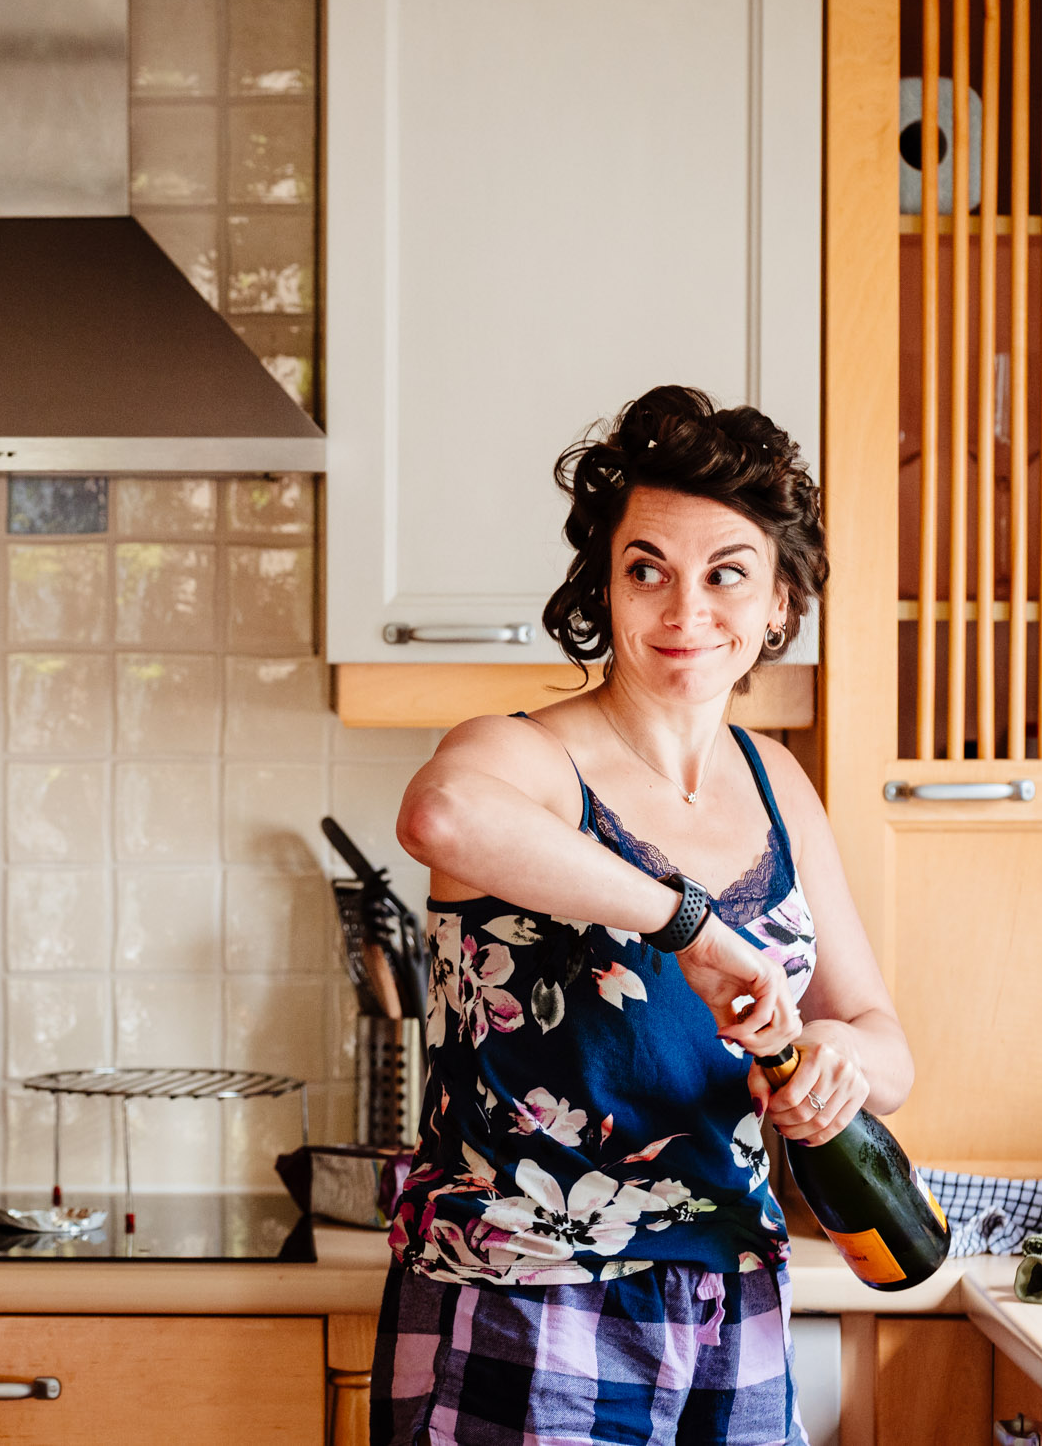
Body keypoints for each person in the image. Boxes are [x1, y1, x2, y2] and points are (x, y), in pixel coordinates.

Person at [376, 384, 911, 1446]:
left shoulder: (778, 786)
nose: (684, 609)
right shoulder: (525, 754)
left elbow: (885, 1044)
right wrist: (695, 928)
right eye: (645, 570)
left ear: (778, 604)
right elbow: (439, 813)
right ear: (605, 589)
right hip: (531, 1292)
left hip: (732, 1294)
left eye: (726, 574)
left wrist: (838, 1059)